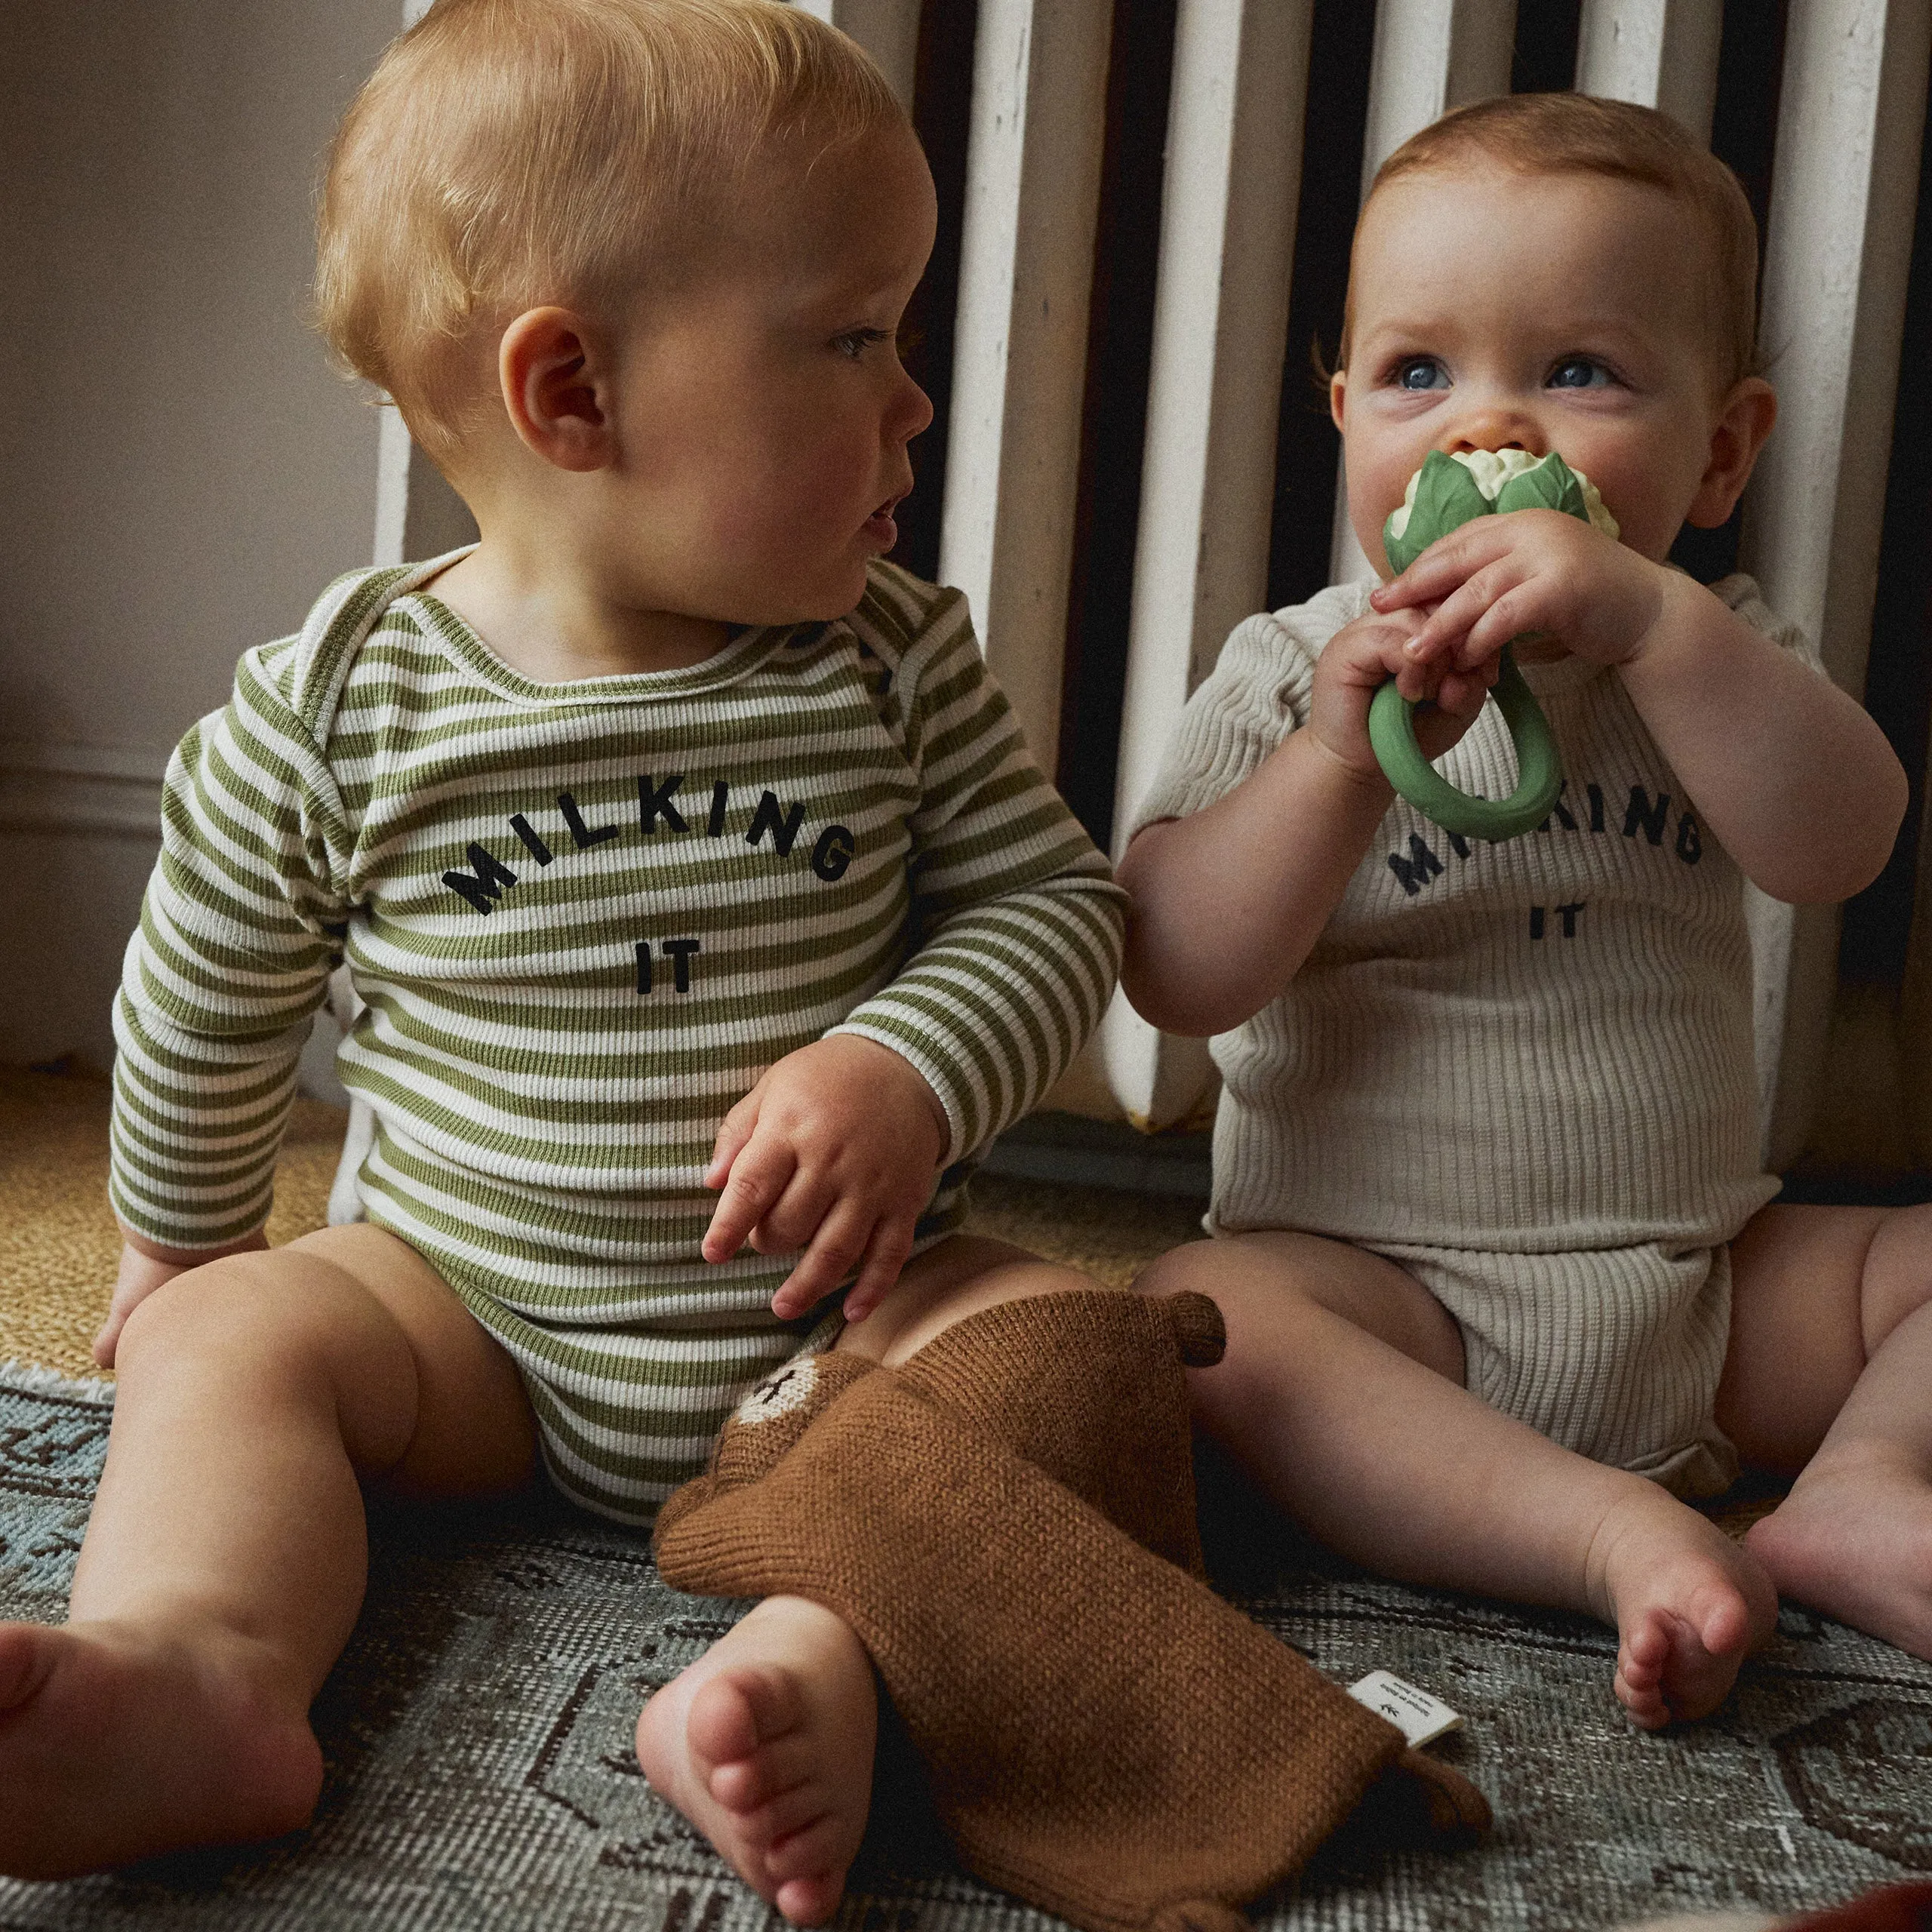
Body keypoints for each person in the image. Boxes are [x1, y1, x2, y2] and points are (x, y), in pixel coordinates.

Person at [0, 3, 1124, 1918]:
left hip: (823, 1338)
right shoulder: (345, 703)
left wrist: (907, 1067)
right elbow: (201, 994)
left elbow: (1058, 908)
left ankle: (799, 1665)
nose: (915, 400)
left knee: (1069, 1359)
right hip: (468, 1333)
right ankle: (199, 1668)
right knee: (231, 1340)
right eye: (856, 336)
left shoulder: (890, 661)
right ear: (572, 397)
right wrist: (183, 1249)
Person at [1121, 93, 1928, 1733]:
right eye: (1419, 374)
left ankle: (1857, 1481)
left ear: (1718, 449)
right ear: (1344, 416)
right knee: (1196, 1327)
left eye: (1577, 372)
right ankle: (1599, 1530)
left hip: (1696, 1294)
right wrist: (1338, 754)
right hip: (1385, 1302)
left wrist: (1651, 622)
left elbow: (1839, 842)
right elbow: (1173, 966)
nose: (1489, 434)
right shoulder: (1291, 670)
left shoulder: (1710, 647)